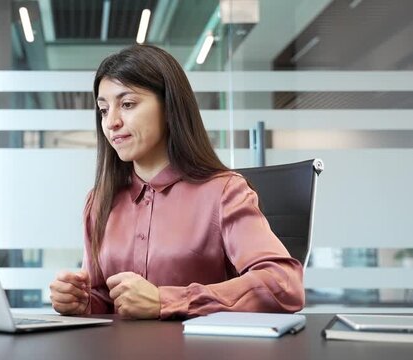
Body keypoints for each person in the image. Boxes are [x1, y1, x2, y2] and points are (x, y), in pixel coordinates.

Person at [49, 45, 305, 320]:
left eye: (127, 104)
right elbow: (106, 298)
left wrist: (165, 300)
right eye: (103, 109)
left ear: (169, 108)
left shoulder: (224, 192)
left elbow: (284, 284)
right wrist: (82, 301)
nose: (111, 122)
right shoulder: (100, 201)